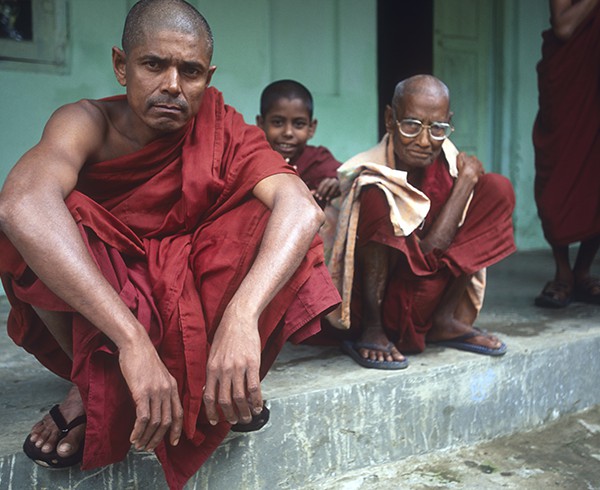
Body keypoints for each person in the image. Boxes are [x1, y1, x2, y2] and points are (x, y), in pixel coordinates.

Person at [0, 1, 340, 489]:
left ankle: (218, 381)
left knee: (278, 219)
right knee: (47, 219)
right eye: (154, 64)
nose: (173, 86)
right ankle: (88, 384)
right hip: (114, 298)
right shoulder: (85, 123)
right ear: (122, 65)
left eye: (191, 70)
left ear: (208, 76)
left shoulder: (224, 128)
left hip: (193, 294)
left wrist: (242, 317)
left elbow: (302, 209)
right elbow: (20, 206)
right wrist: (132, 341)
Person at [324, 75, 516, 369]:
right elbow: (427, 252)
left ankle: (445, 320)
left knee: (497, 188)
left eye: (438, 128)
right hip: (380, 304)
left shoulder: (451, 167)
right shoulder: (367, 171)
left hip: (431, 297)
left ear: (449, 123)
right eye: (411, 126)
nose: (425, 142)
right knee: (375, 194)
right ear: (390, 119)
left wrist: (465, 181)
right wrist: (465, 183)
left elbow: (438, 258)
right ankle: (373, 331)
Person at [532, 0, 600, 308]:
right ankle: (563, 271)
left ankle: (582, 271)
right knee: (557, 174)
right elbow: (564, 26)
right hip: (570, 86)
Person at [256, 79, 341, 209]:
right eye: (278, 122)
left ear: (311, 128)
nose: (288, 133)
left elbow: (347, 176)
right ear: (261, 123)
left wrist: (335, 182)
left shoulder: (317, 159)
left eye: (299, 124)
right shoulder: (254, 158)